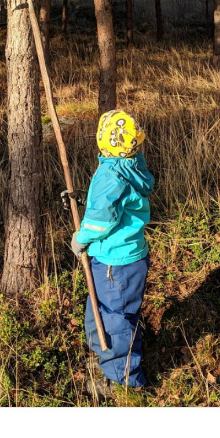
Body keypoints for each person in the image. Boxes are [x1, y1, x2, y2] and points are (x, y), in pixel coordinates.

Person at [67, 109, 154, 398]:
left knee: (115, 320)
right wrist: (86, 198)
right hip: (131, 258)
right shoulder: (132, 165)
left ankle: (123, 381)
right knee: (107, 312)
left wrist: (81, 238)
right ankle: (106, 353)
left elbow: (102, 219)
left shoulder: (109, 175)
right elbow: (114, 202)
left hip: (113, 264)